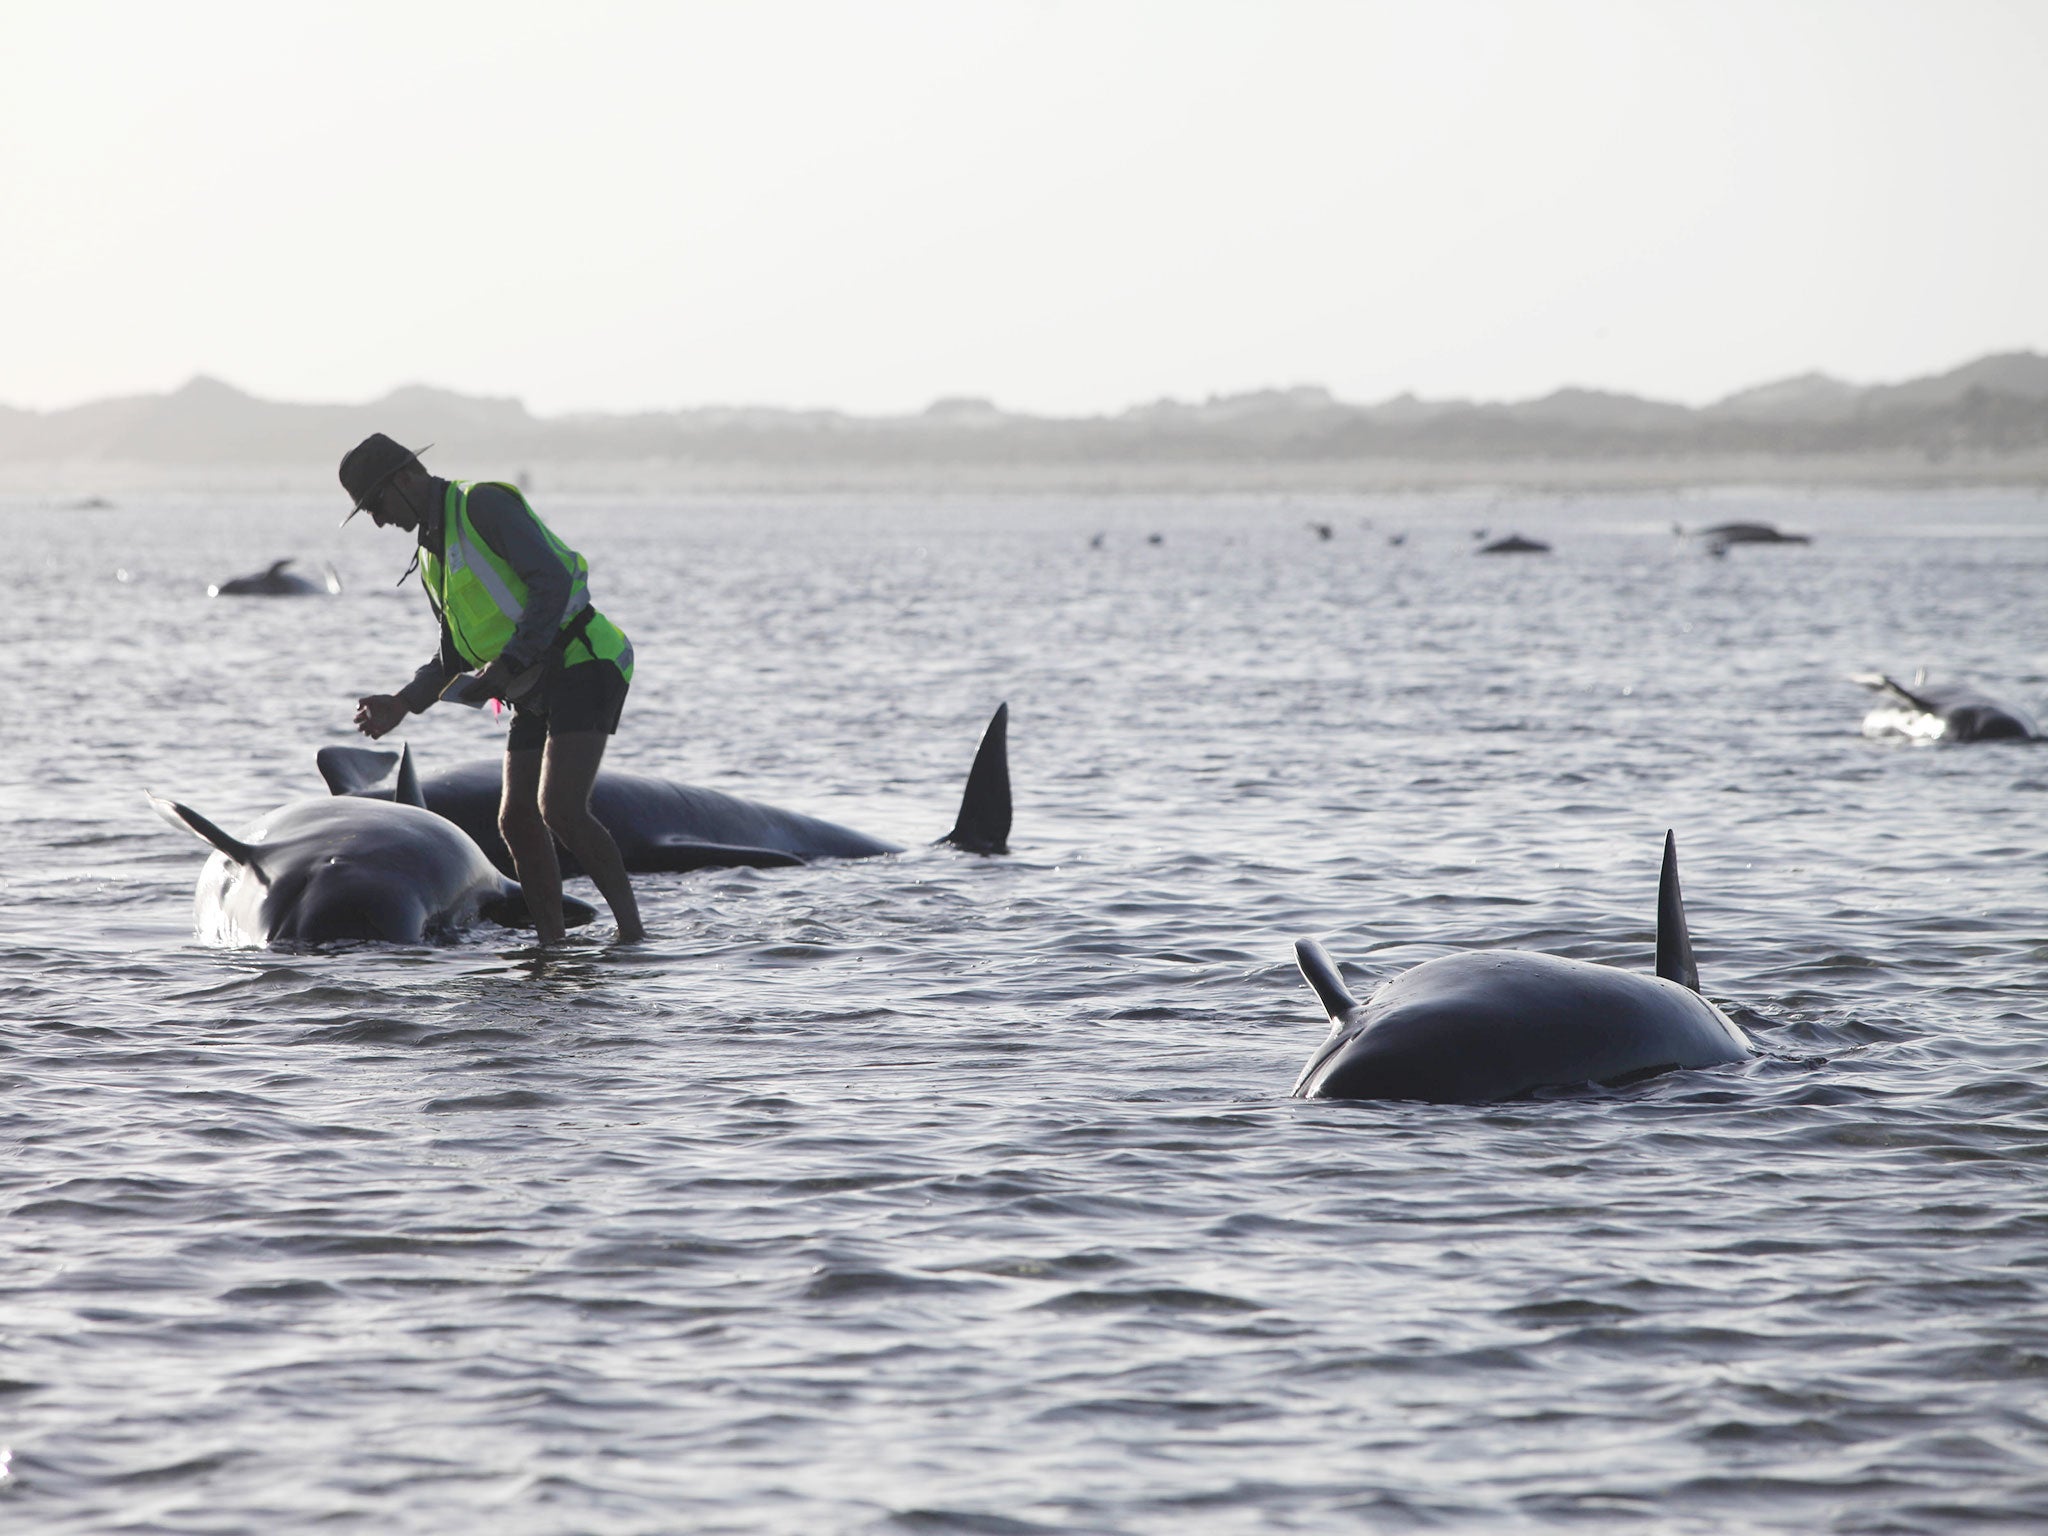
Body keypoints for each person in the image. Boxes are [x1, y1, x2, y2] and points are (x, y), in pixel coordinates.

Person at [340, 433, 646, 944]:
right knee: (515, 818)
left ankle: (634, 938)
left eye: (376, 503)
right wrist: (402, 703)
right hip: (529, 684)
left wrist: (509, 664)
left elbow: (553, 582)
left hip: (585, 659)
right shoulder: (431, 556)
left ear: (407, 477)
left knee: (561, 808)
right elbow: (453, 656)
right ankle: (551, 948)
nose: (377, 519)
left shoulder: (482, 504)